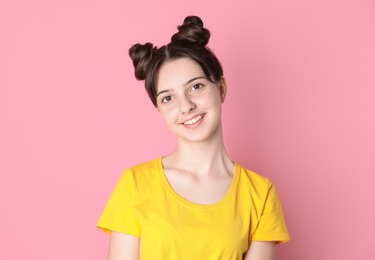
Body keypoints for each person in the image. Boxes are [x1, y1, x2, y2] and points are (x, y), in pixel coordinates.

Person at [97, 16, 290, 260]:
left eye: (195, 87)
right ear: (159, 110)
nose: (186, 106)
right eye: (168, 98)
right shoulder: (134, 184)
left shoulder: (260, 195)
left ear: (221, 88)